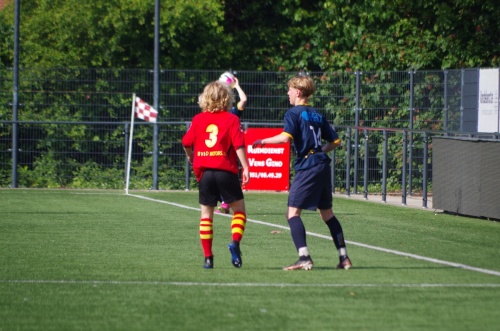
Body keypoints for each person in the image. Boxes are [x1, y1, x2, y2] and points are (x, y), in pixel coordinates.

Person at [252, 73, 352, 271]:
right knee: (328, 215)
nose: (288, 94)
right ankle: (344, 258)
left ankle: (304, 257)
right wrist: (319, 152)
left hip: (308, 166)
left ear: (297, 92)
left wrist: (262, 141)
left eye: (289, 90)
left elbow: (285, 138)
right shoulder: (317, 114)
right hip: (322, 164)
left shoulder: (293, 113)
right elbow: (335, 141)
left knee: (292, 213)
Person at [182, 80, 250, 269]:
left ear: (205, 98)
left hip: (205, 173)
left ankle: (208, 258)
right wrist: (246, 167)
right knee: (239, 211)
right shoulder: (231, 119)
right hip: (225, 172)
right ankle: (235, 243)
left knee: (206, 216)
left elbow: (186, 142)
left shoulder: (198, 119)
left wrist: (191, 157)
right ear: (227, 99)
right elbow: (238, 145)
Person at [216, 75, 248, 214]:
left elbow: (244, 100)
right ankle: (224, 202)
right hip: (218, 148)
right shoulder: (215, 114)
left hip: (229, 150)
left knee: (225, 175)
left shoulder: (233, 113)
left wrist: (236, 86)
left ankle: (225, 203)